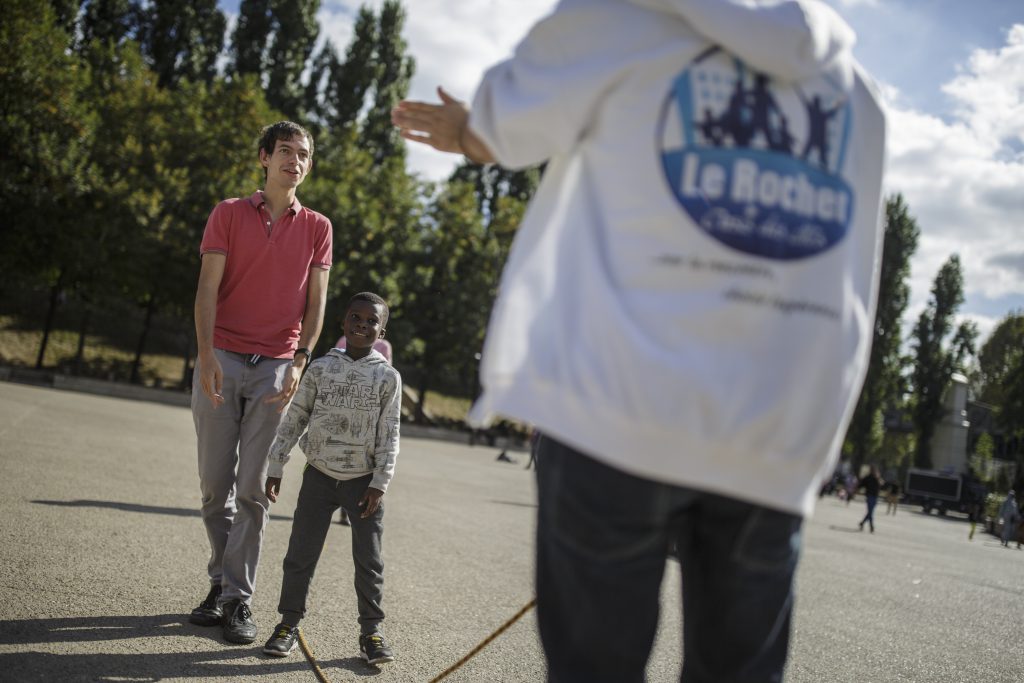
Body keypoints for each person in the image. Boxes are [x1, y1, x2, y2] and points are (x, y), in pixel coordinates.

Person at [392, 0, 886, 680]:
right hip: (771, 430)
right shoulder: (855, 89)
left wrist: (462, 128)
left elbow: (502, 131)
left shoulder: (613, 19)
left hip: (616, 409)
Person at [188, 121, 332, 645]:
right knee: (213, 489)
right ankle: (222, 584)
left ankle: (236, 598)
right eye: (286, 152)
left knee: (252, 489)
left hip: (276, 366)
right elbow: (207, 290)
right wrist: (206, 356)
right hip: (221, 357)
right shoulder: (227, 214)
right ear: (264, 158)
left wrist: (300, 361)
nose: (296, 160)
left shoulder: (318, 226)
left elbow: (316, 305)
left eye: (305, 154)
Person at [261, 292, 401, 665]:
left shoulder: (387, 376)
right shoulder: (321, 368)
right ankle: (288, 625)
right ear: (343, 323)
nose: (362, 324)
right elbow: (296, 417)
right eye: (355, 317)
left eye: (371, 320)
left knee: (369, 561)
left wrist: (380, 481)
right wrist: (276, 464)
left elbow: (390, 432)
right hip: (319, 475)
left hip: (363, 481)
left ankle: (371, 632)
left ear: (381, 330)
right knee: (300, 555)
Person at [334, 334, 394, 525]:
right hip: (345, 408)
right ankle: (340, 505)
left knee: (356, 458)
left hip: (367, 411)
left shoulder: (382, 346)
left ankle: (347, 508)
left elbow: (387, 373)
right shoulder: (343, 340)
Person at [857, 465, 884, 533]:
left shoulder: (877, 478)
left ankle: (862, 523)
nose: (874, 471)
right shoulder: (868, 477)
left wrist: (878, 478)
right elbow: (861, 484)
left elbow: (882, 484)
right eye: (873, 470)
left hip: (875, 497)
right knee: (871, 512)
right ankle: (871, 526)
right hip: (869, 496)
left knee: (870, 512)